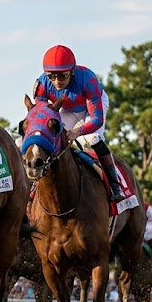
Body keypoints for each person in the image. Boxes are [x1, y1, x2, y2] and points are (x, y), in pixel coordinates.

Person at [32, 44, 124, 202]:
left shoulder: (88, 80)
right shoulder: (42, 84)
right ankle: (36, 185)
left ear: (72, 71)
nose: (57, 81)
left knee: (92, 139)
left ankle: (115, 185)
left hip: (91, 108)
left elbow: (97, 120)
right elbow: (41, 115)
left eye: (63, 76)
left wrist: (78, 131)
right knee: (53, 137)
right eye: (51, 76)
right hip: (67, 108)